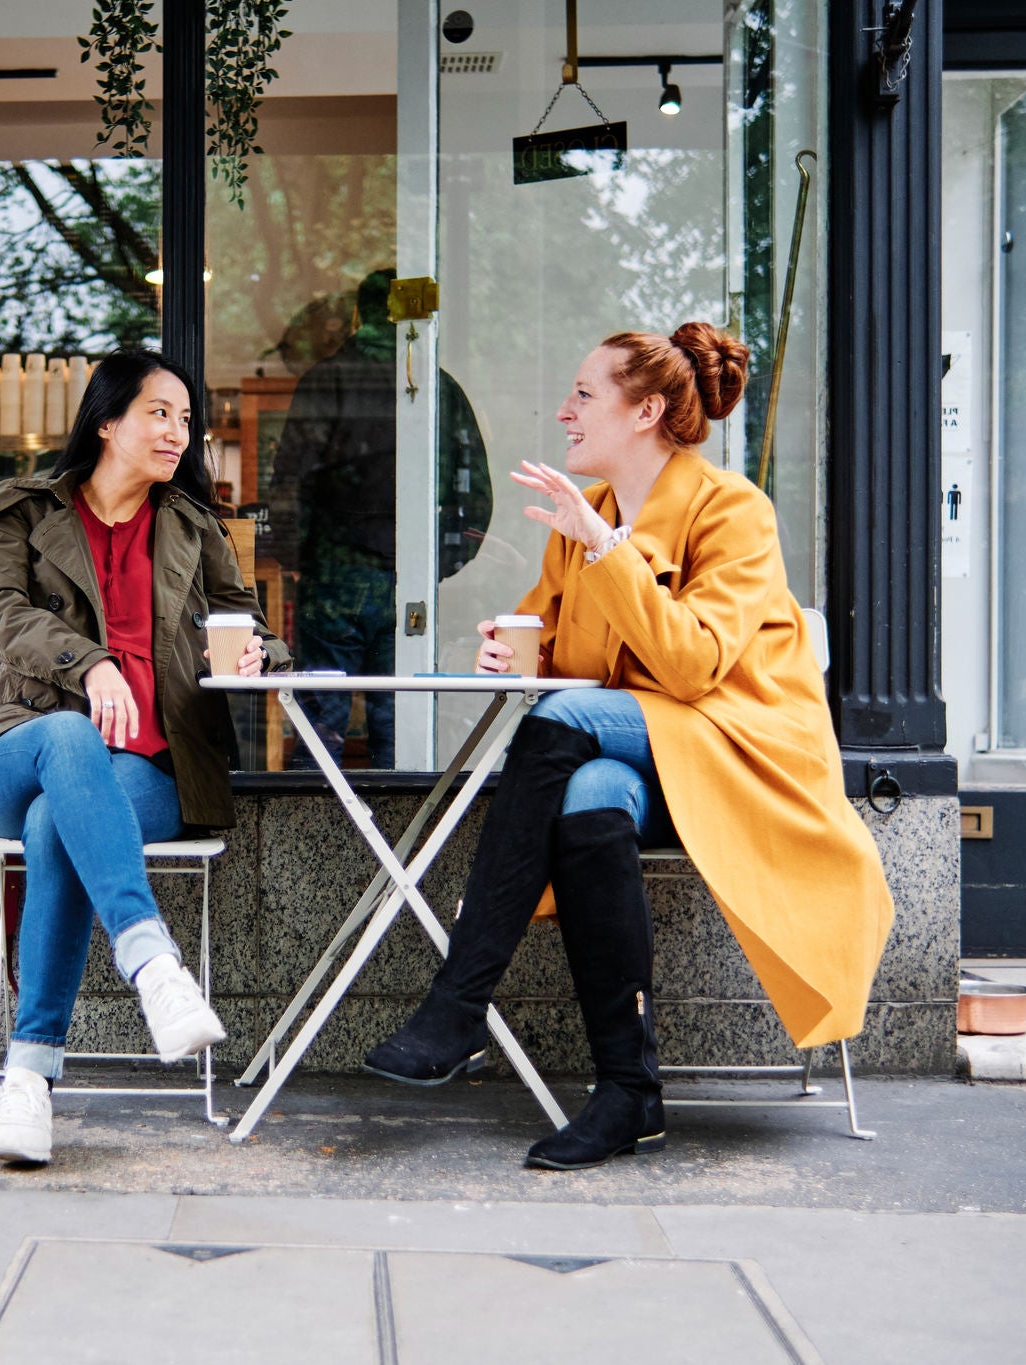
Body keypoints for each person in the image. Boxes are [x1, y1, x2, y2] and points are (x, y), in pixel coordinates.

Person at [362, 323, 895, 1170]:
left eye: (584, 394)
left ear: (645, 410)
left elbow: (690, 666)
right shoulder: (590, 514)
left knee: (562, 725)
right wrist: (511, 645)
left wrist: (605, 551)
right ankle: (628, 1091)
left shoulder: (733, 512)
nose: (565, 411)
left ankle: (460, 1001)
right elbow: (573, 659)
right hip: (644, 754)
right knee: (586, 795)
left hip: (741, 753)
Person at [0, 348, 291, 1165]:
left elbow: (251, 625)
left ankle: (28, 1082)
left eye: (185, 418)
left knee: (55, 828)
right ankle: (152, 961)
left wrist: (258, 657)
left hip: (152, 767)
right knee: (67, 749)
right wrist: (90, 661)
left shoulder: (192, 525)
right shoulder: (28, 511)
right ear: (108, 421)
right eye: (159, 412)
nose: (177, 431)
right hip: (22, 743)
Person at [266, 267, 493, 767]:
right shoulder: (439, 388)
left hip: (332, 579)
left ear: (357, 315)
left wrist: (298, 560)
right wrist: (438, 564)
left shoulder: (326, 380)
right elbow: (474, 494)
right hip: (408, 580)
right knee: (403, 730)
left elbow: (287, 484)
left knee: (319, 728)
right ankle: (404, 836)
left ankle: (311, 836)